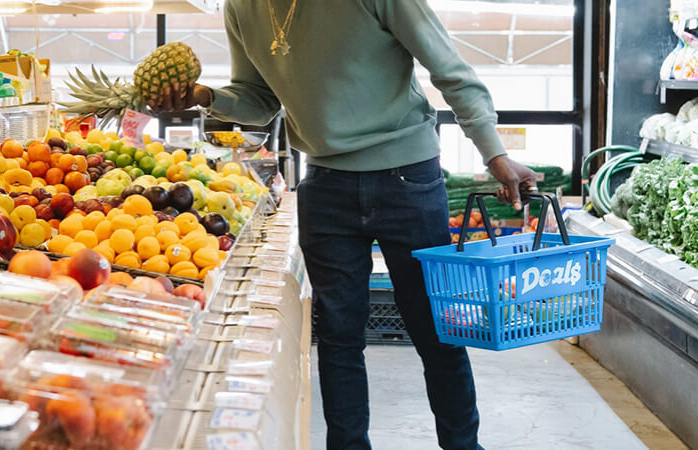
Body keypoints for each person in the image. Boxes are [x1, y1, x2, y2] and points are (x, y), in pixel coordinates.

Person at [154, 0, 538, 448]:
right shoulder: (241, 6)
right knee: (338, 337)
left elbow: (451, 70)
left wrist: (494, 152)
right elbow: (259, 101)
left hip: (407, 176)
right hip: (324, 183)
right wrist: (206, 97)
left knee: (437, 330)